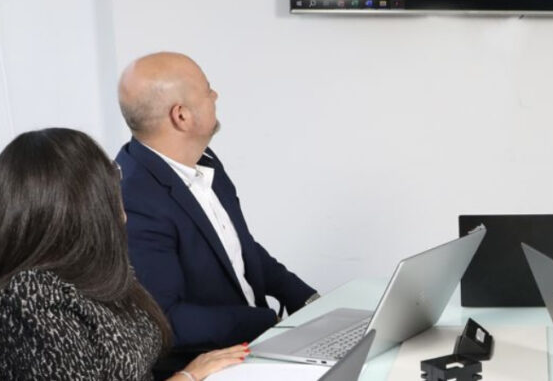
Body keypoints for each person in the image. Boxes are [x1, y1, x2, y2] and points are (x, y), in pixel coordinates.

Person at [115, 52, 317, 369]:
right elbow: (165, 319)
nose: (215, 95)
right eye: (207, 90)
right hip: (207, 365)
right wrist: (267, 322)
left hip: (254, 343)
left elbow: (238, 246)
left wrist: (308, 300)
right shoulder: (134, 198)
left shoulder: (202, 159)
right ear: (181, 116)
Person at [0, 128, 248, 381]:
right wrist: (188, 375)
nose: (120, 189)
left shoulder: (99, 268)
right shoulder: (31, 292)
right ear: (86, 204)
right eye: (111, 181)